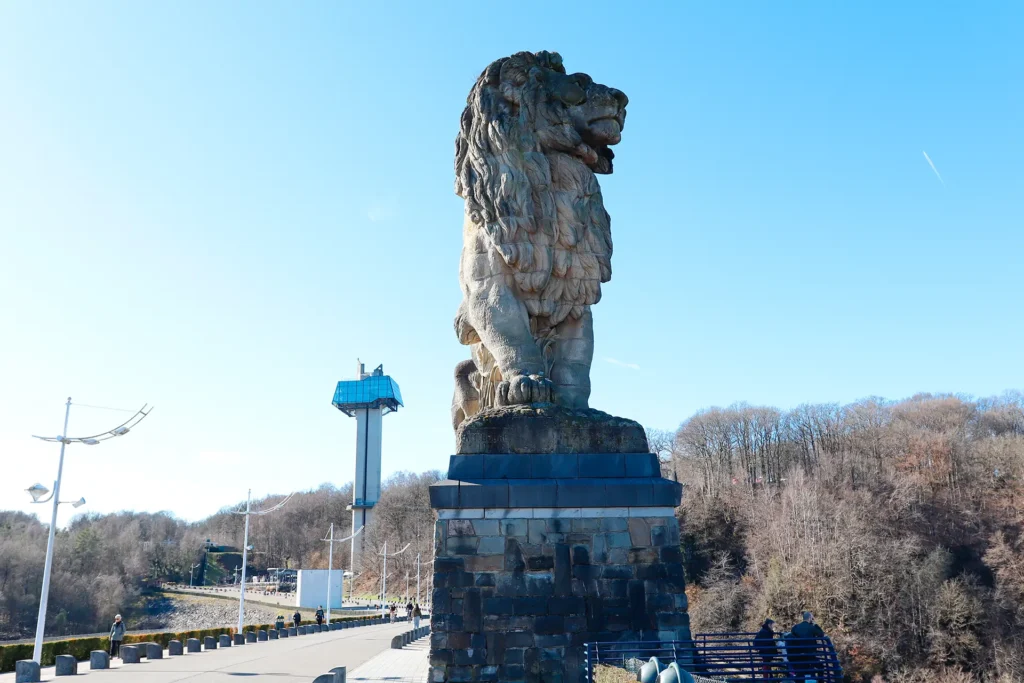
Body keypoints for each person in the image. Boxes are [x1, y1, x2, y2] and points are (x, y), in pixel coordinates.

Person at [788, 611, 826, 681]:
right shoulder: (811, 627)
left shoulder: (795, 627)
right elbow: (821, 634)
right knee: (820, 667)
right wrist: (815, 625)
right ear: (810, 618)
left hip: (799, 655)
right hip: (810, 654)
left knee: (801, 672)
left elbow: (791, 634)